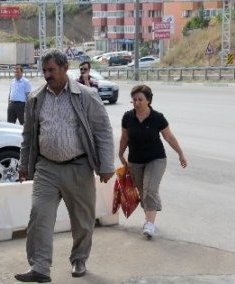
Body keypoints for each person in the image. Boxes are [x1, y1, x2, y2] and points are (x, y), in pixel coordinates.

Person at [14, 49, 115, 283]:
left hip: (78, 167)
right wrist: (24, 163)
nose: (47, 75)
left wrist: (106, 164)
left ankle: (79, 259)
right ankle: (40, 267)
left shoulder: (86, 95)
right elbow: (28, 134)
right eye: (44, 70)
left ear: (64, 68)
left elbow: (103, 131)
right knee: (39, 214)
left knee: (82, 220)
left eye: (52, 70)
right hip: (46, 168)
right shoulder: (35, 98)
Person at [118, 84, 187, 238]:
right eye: (134, 100)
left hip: (156, 159)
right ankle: (149, 217)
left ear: (148, 100)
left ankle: (150, 224)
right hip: (135, 160)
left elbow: (169, 137)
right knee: (143, 193)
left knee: (150, 189)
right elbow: (124, 137)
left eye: (140, 99)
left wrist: (180, 153)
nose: (136, 103)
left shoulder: (157, 117)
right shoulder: (128, 117)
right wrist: (121, 153)